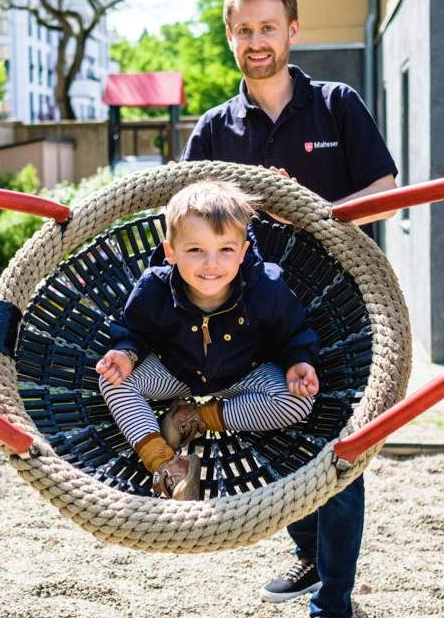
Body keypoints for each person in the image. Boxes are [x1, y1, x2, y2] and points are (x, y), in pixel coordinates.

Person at [181, 0, 399, 618]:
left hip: (338, 311)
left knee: (339, 451)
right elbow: (183, 215)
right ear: (230, 38)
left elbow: (386, 191)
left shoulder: (335, 106)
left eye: (267, 28)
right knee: (270, 443)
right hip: (249, 315)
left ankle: (331, 608)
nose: (256, 41)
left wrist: (301, 208)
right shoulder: (217, 127)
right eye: (243, 30)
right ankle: (307, 552)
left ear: (292, 32)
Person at [96, 179, 321, 500]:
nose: (211, 264)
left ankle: (196, 418)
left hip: (243, 373)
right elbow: (134, 330)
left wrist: (299, 360)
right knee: (113, 382)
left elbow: (294, 331)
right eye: (195, 250)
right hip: (175, 372)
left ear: (243, 252)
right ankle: (166, 462)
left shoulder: (266, 288)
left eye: (225, 249)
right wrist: (125, 355)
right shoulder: (154, 287)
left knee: (297, 401)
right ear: (171, 252)